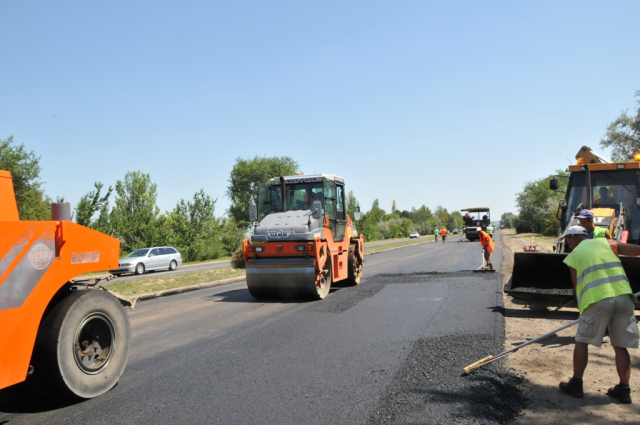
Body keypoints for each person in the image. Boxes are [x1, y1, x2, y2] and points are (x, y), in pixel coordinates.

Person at [558, 225, 640, 403]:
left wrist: (583, 310)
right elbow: (638, 251)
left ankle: (576, 384)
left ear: (573, 237)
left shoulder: (574, 256)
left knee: (582, 341)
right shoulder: (608, 243)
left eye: (566, 239)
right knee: (620, 345)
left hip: (598, 298)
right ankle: (624, 389)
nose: (567, 243)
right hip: (624, 297)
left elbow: (577, 287)